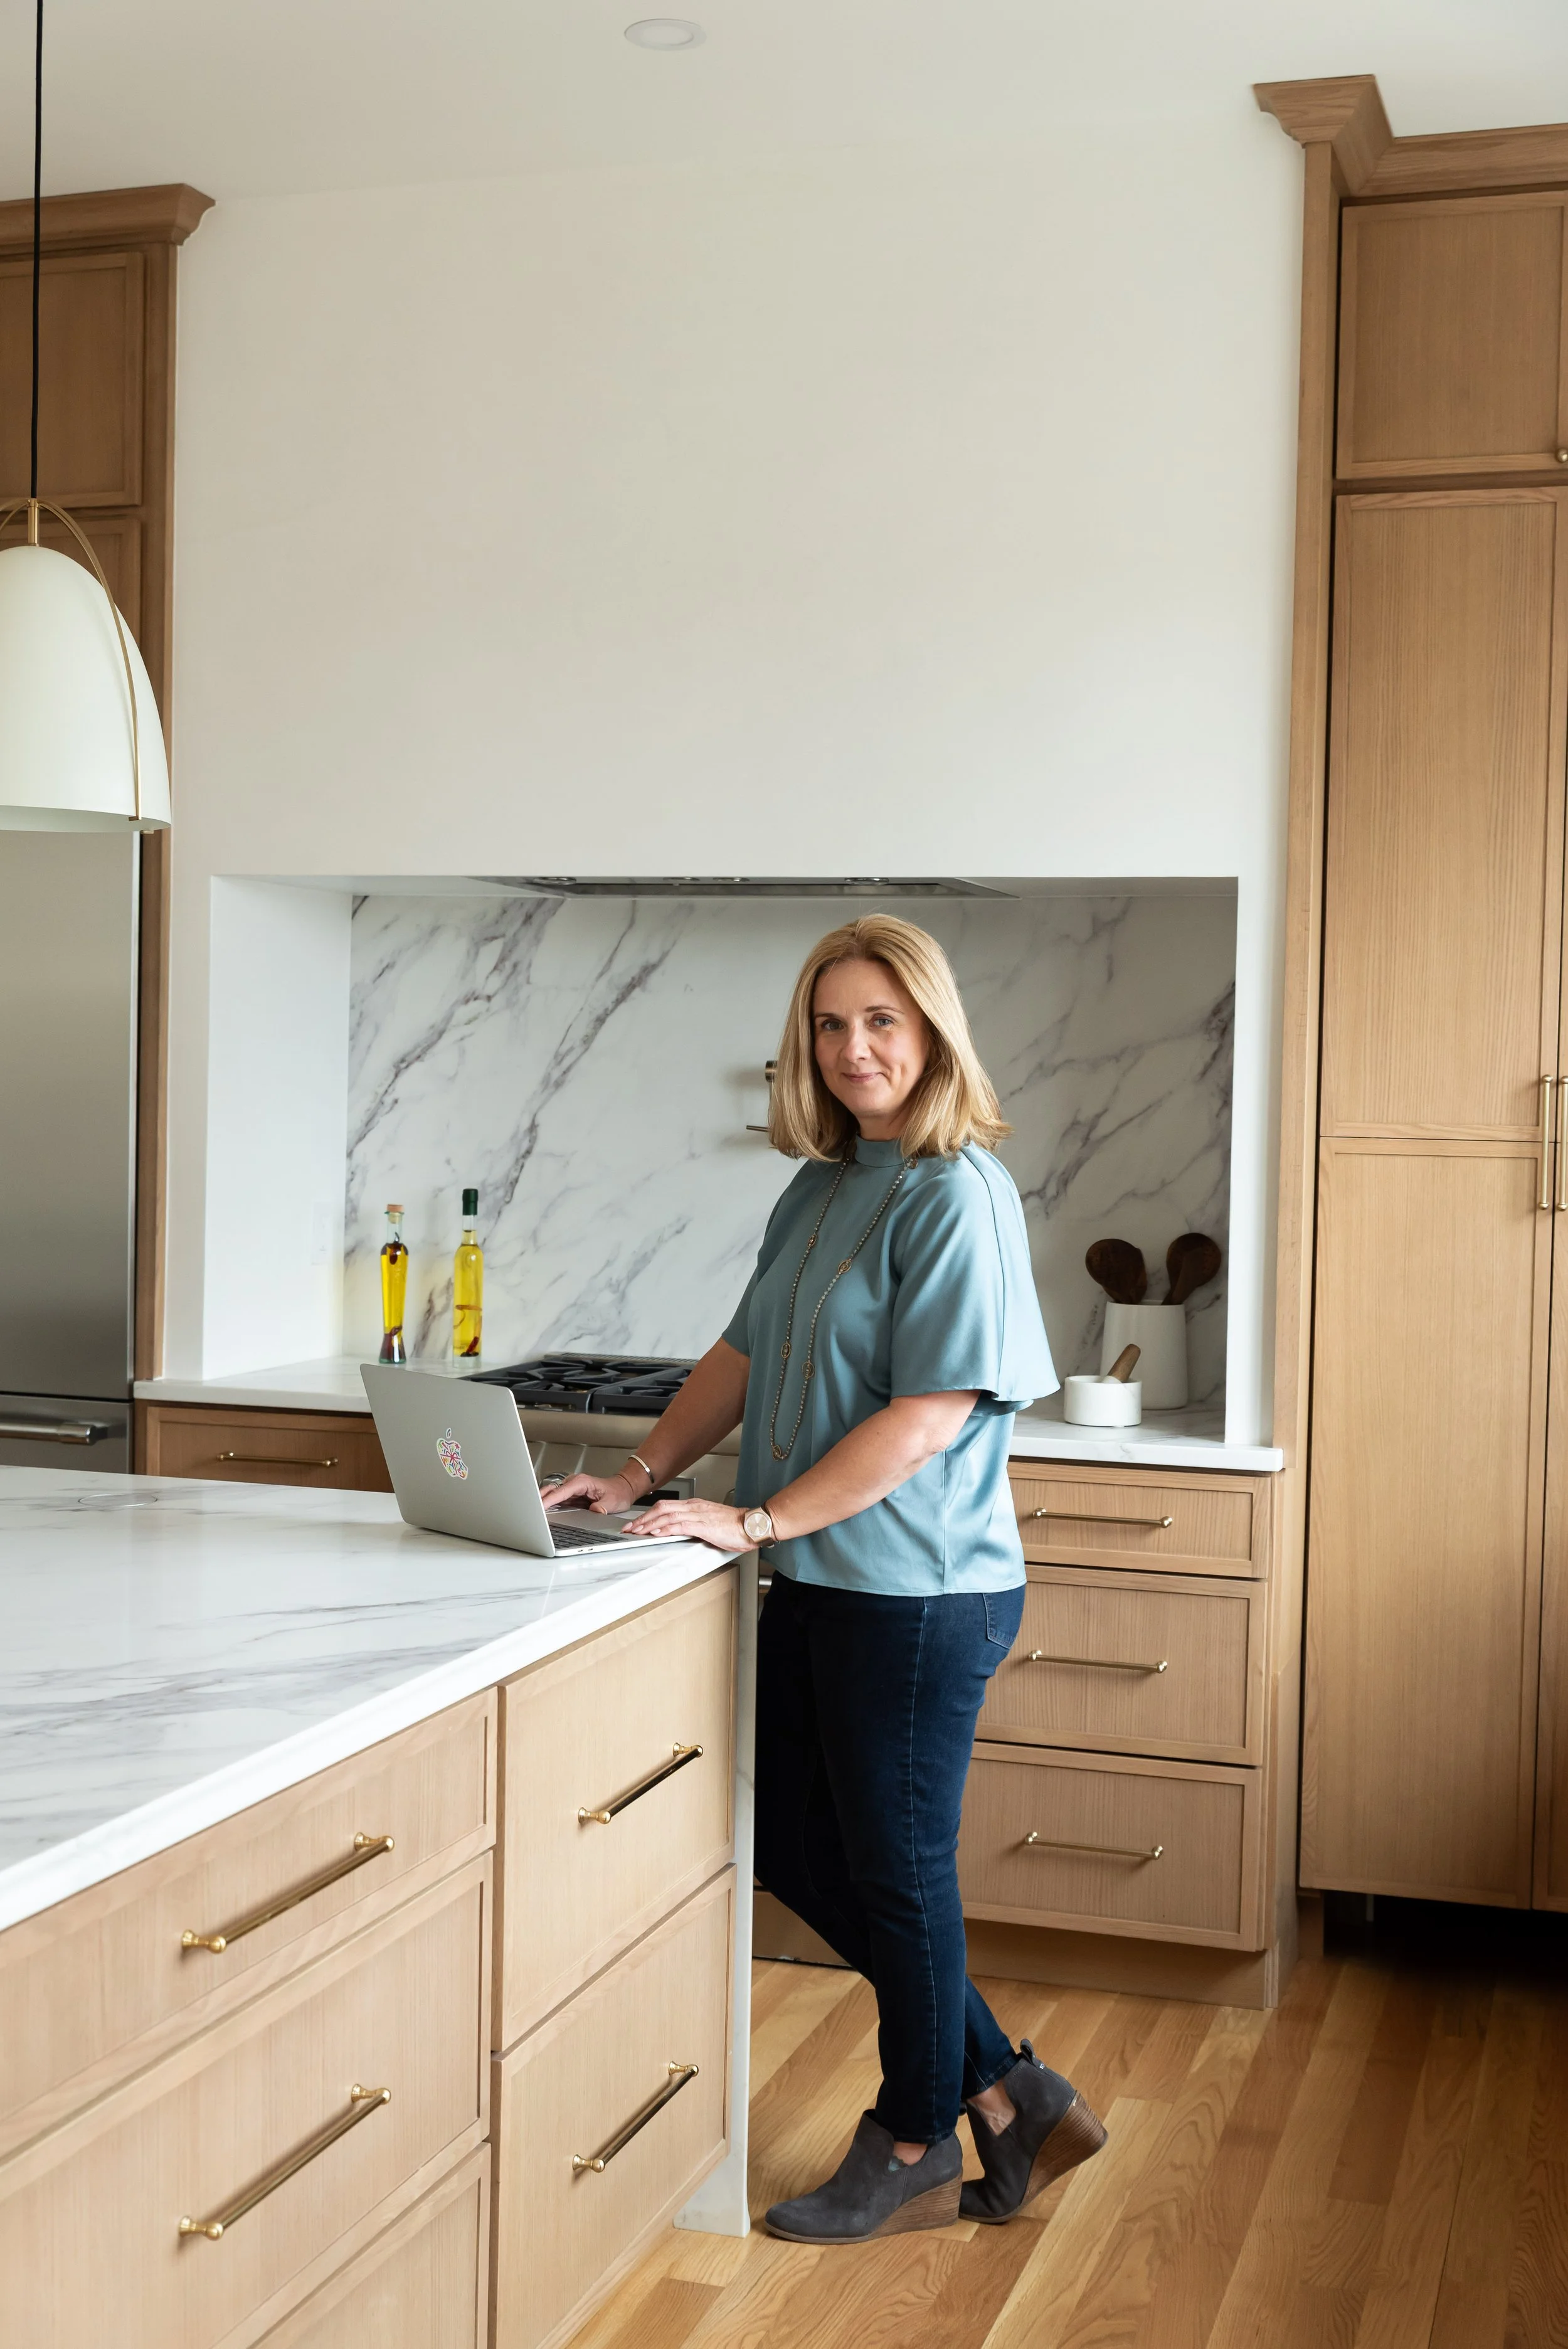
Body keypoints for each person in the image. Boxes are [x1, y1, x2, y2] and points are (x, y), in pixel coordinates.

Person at [543, 914, 1106, 2244]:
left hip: (916, 1595)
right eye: (829, 1024)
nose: (853, 1049)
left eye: (880, 1023)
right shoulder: (822, 1182)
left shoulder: (956, 1190)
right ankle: (1007, 2089)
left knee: (898, 1873)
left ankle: (913, 2134)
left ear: (930, 1035)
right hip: (822, 1582)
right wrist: (638, 1473)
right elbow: (740, 1352)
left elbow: (926, 1413)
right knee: (792, 1835)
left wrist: (753, 1520)